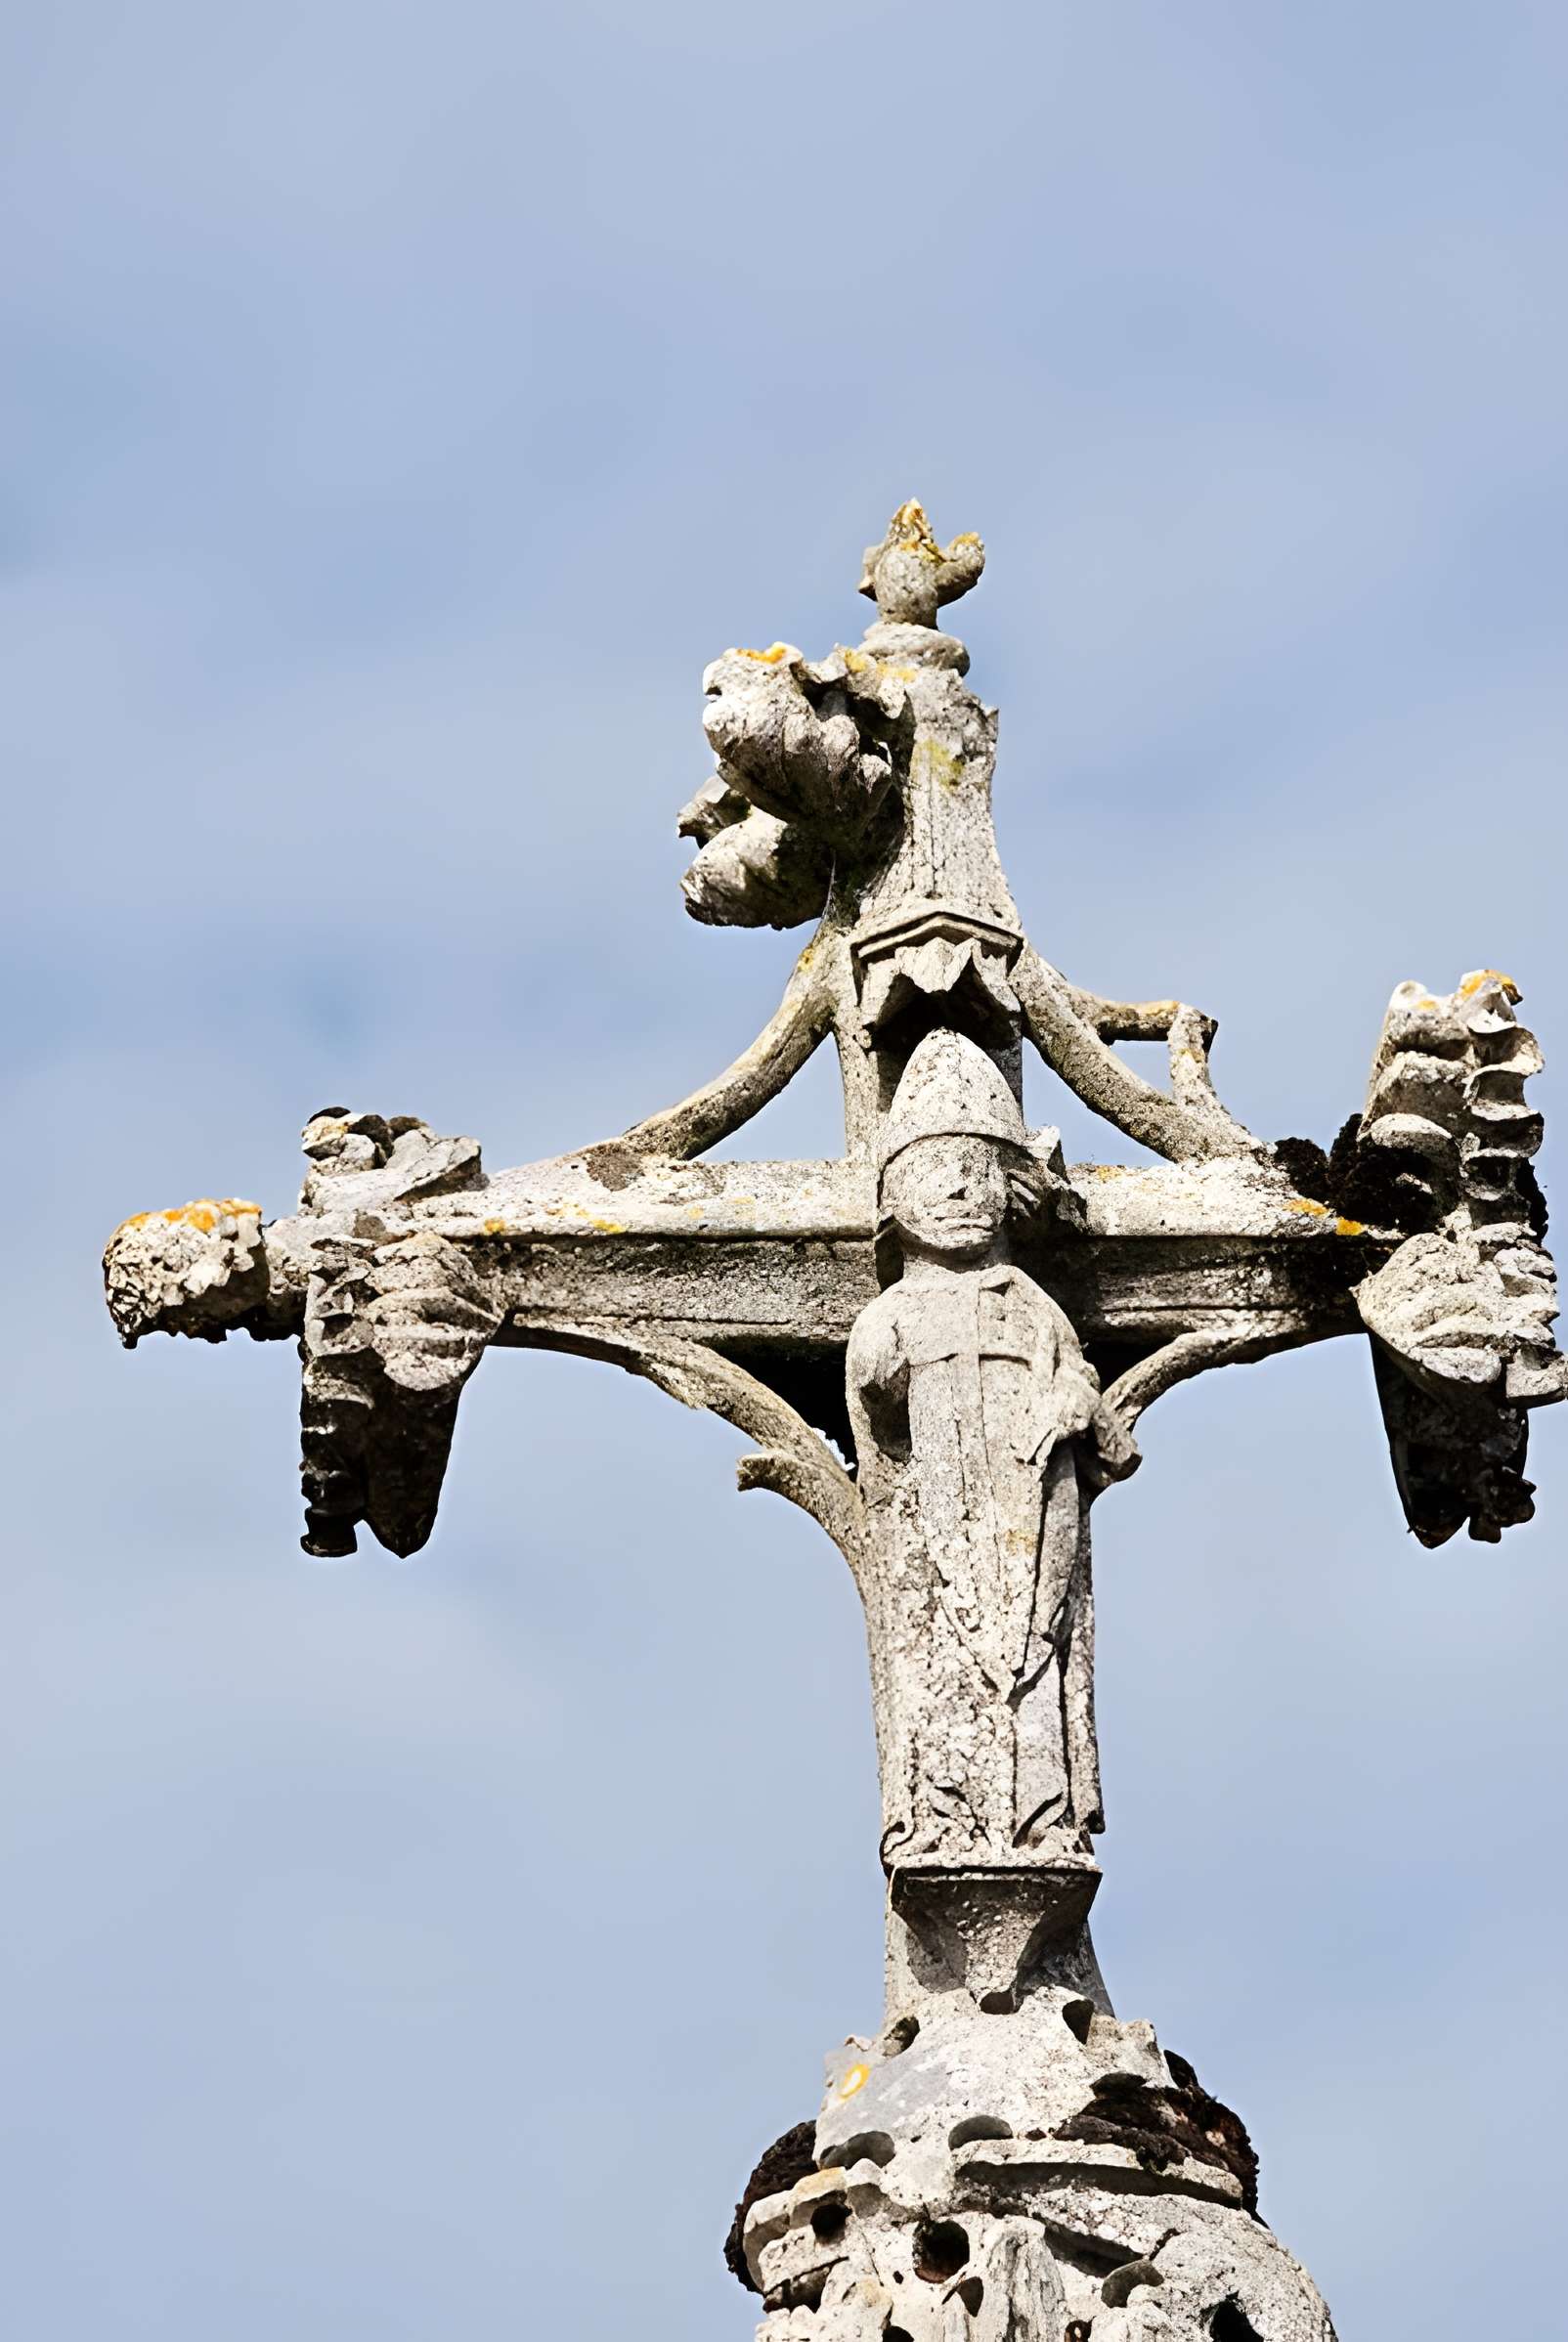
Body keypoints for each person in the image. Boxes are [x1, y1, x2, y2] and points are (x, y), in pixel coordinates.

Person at [847, 1028, 1133, 1869]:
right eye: (937, 1176)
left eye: (980, 1176)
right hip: (939, 1511)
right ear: (897, 1199)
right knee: (940, 1641)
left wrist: (1076, 1403)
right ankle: (942, 1813)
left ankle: (1046, 1814)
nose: (962, 1193)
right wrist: (879, 1369)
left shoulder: (1033, 1304)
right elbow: (873, 1400)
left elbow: (1098, 1415)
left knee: (1037, 1649)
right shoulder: (893, 1311)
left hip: (1035, 1512)